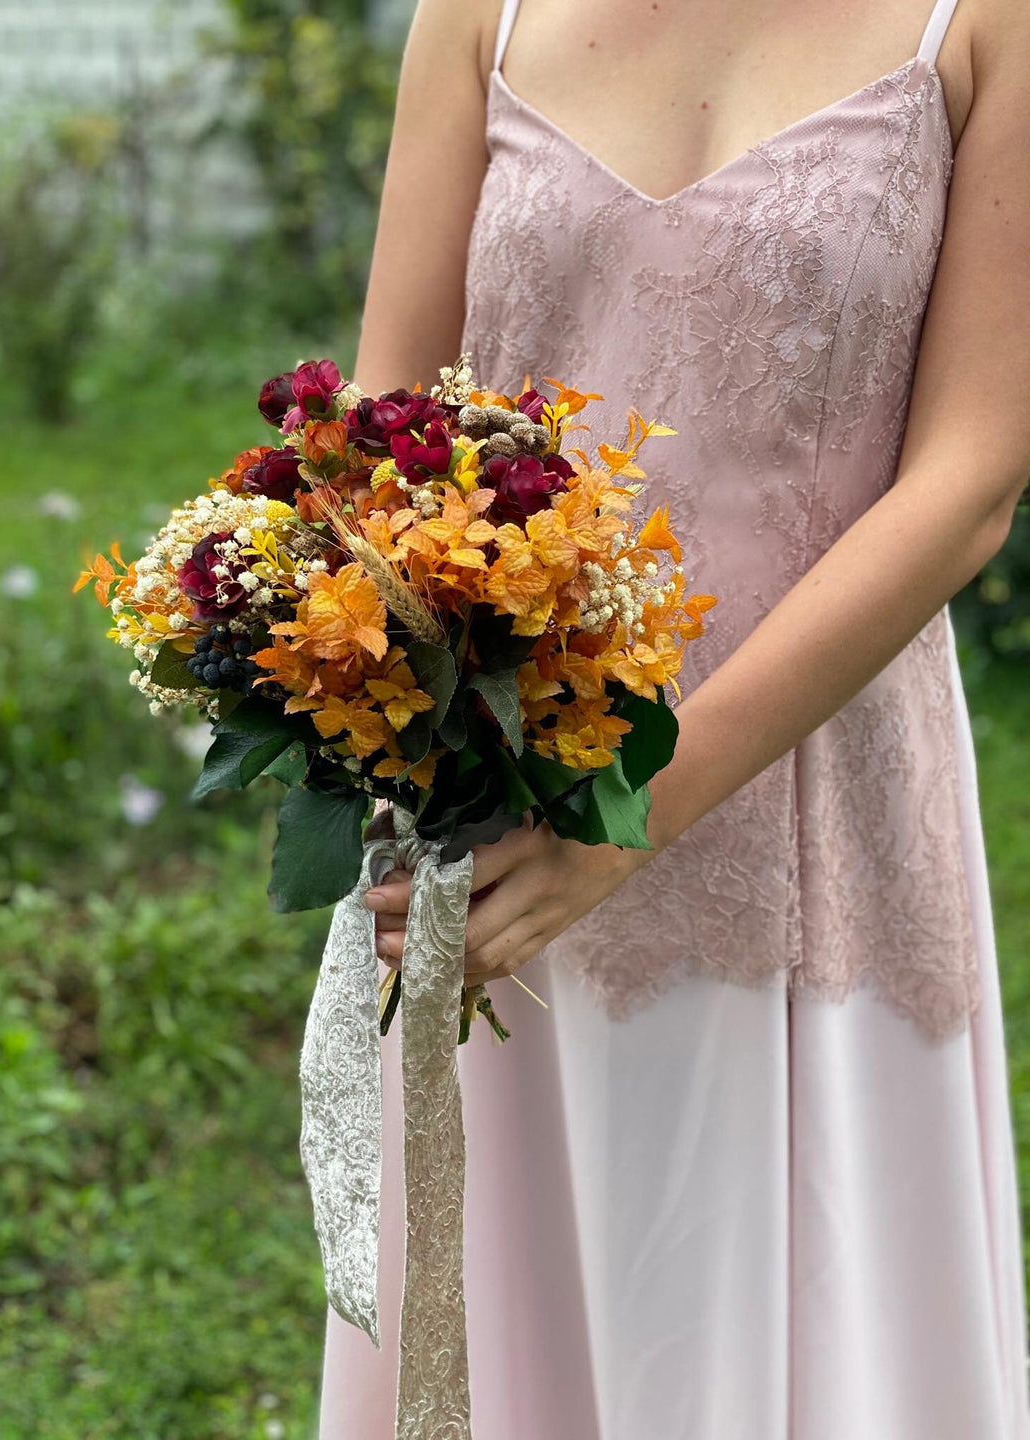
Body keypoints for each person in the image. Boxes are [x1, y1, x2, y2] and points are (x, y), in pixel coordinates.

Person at [319, 0, 1030, 1434]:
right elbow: (379, 432)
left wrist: (628, 822)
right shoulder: (481, 16)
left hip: (817, 812)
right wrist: (379, 745)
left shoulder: (987, 24)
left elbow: (970, 482)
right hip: (503, 804)